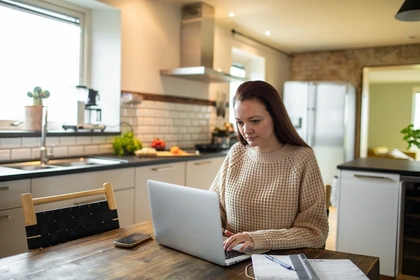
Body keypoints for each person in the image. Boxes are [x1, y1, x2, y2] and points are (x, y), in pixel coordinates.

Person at [209, 80, 329, 253]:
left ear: (276, 116)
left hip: (279, 261)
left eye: (255, 121)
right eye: (240, 122)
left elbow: (315, 232)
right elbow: (214, 210)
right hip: (231, 256)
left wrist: (257, 239)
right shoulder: (236, 153)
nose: (246, 130)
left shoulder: (302, 158)